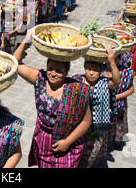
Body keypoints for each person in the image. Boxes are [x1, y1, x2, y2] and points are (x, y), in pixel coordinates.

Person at [13, 29, 92, 168]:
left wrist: (67, 142)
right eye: (50, 68)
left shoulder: (77, 89)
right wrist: (27, 38)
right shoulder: (40, 79)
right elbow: (15, 62)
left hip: (67, 143)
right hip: (43, 140)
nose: (53, 74)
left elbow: (86, 121)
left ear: (67, 72)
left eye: (59, 71)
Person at [71, 51, 121, 168]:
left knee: (89, 157)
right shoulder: (77, 80)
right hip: (77, 127)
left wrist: (112, 62)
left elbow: (116, 81)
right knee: (75, 154)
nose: (91, 73)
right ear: (84, 68)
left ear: (101, 70)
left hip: (96, 130)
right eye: (88, 69)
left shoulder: (104, 83)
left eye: (95, 70)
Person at [109, 52, 135, 150]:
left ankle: (117, 140)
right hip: (103, 104)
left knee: (118, 123)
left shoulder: (126, 73)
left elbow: (131, 89)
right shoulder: (102, 70)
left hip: (118, 104)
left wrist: (116, 97)